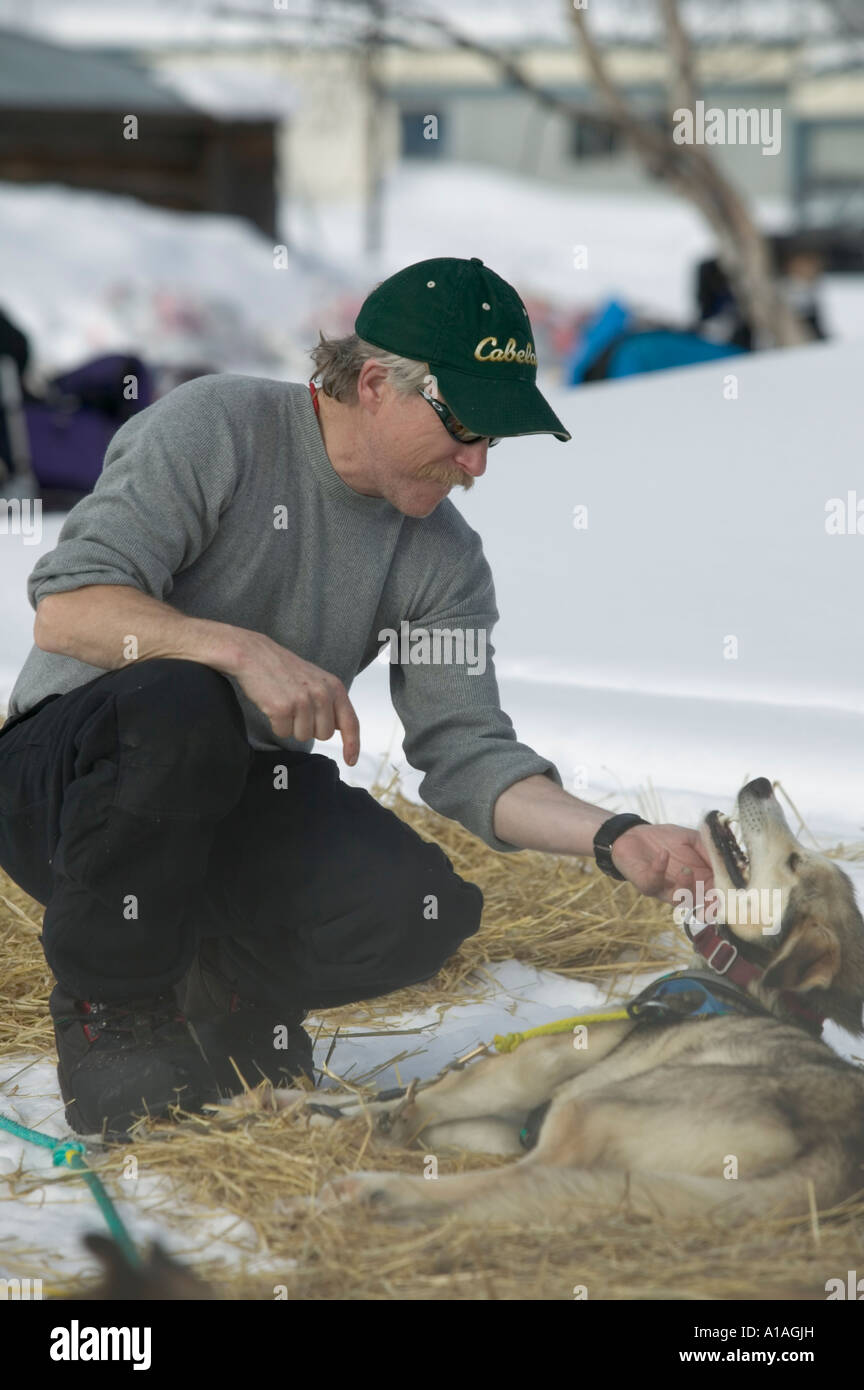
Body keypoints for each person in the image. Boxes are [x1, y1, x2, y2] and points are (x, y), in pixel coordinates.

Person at [0, 256, 714, 1139]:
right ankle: (115, 1009)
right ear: (376, 384)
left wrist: (615, 837)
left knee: (417, 906)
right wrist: (240, 651)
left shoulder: (443, 561)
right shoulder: (215, 427)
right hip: (67, 787)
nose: (477, 464)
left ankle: (220, 991)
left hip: (218, 801)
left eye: (496, 441)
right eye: (465, 429)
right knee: (184, 702)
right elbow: (68, 610)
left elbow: (470, 756)